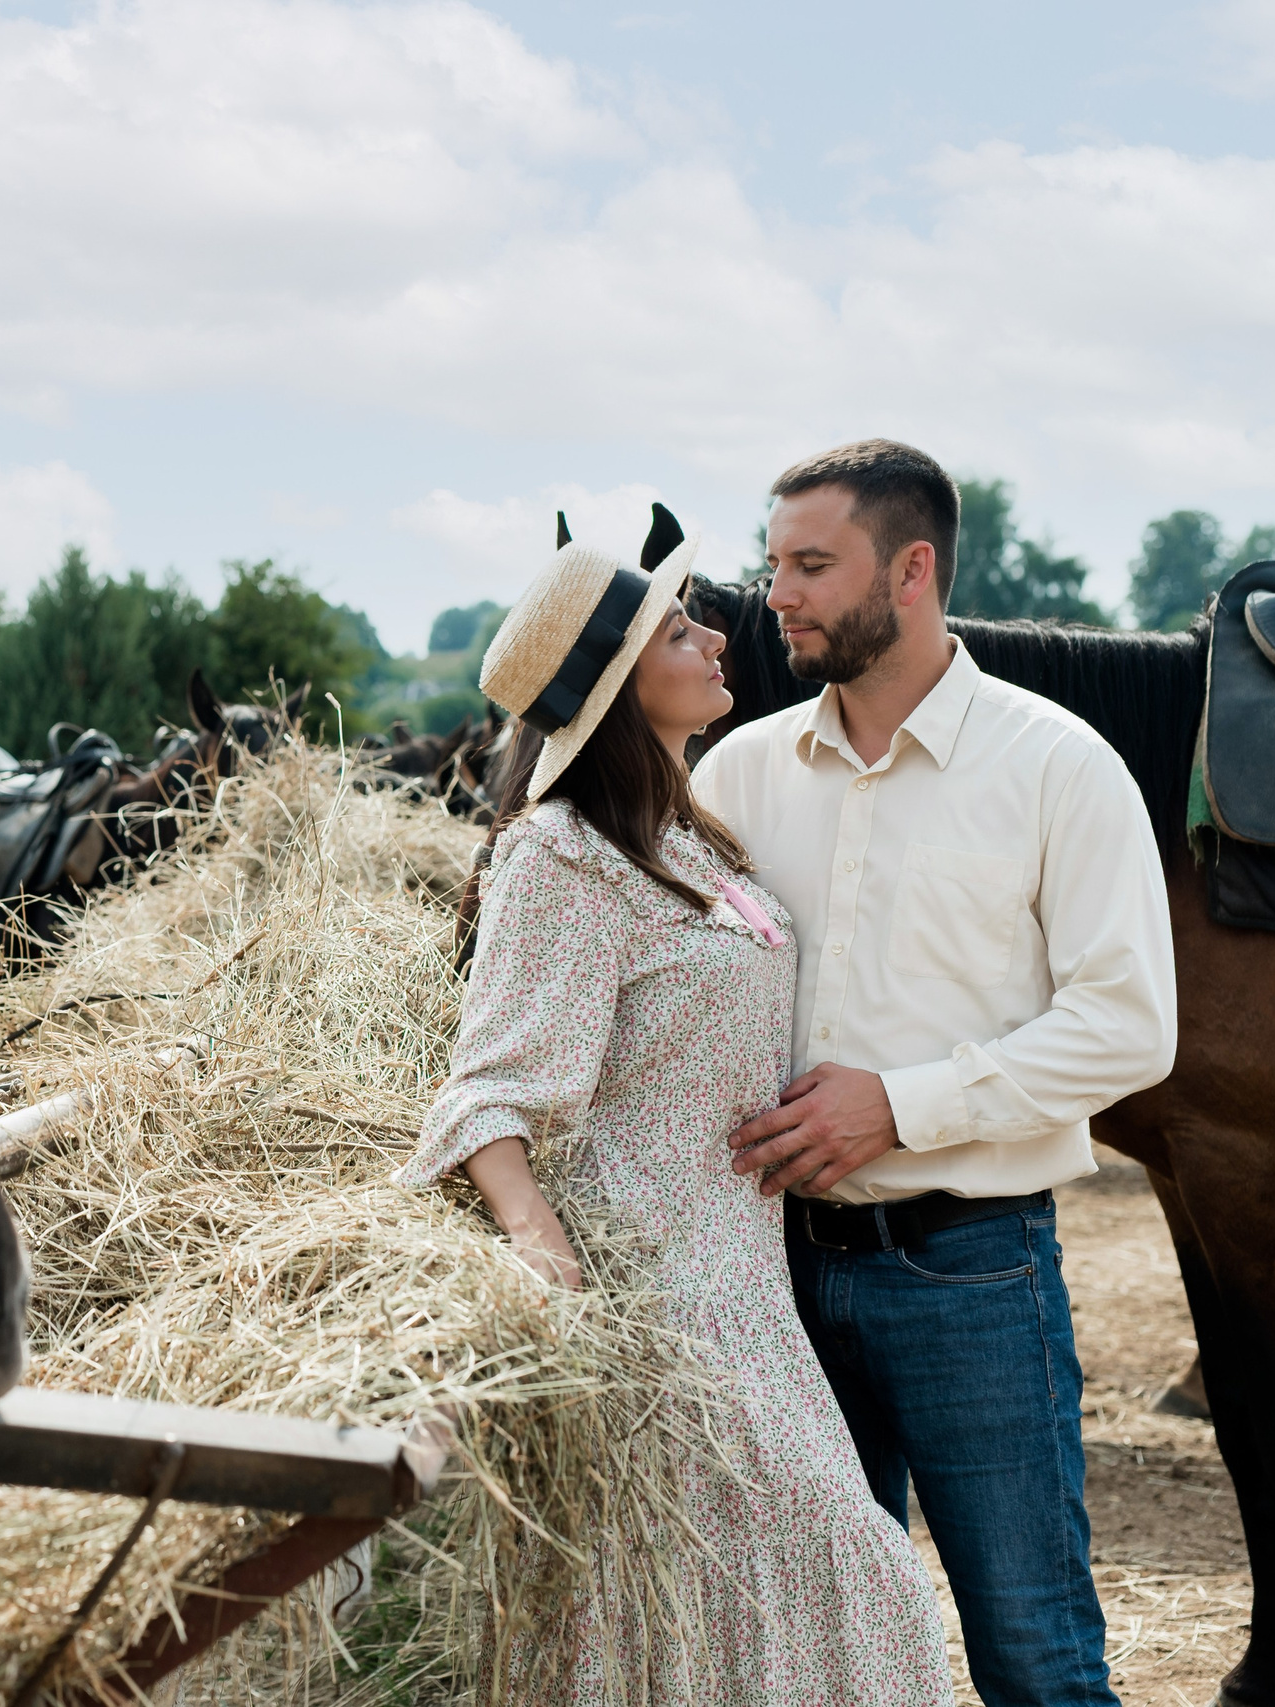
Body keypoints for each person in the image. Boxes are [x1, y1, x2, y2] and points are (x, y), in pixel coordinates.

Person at [397, 519, 951, 1705]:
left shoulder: (690, 840)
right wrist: (549, 1267)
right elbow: (489, 1086)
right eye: (675, 627)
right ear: (612, 685)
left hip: (744, 1286)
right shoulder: (558, 854)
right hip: (656, 1300)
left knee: (757, 1608)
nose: (713, 636)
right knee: (856, 1579)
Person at [695, 439, 1178, 1707]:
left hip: (971, 1271)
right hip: (769, 1279)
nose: (775, 597)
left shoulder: (1056, 766)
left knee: (1034, 1658)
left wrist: (897, 1104)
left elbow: (1130, 1028)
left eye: (810, 565)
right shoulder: (736, 774)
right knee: (816, 1666)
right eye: (771, 566)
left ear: (911, 570)